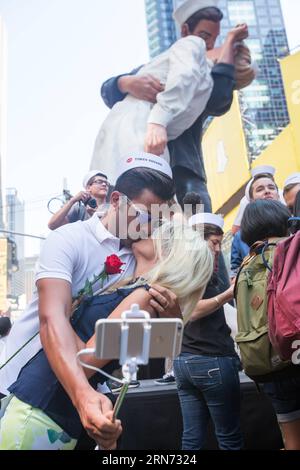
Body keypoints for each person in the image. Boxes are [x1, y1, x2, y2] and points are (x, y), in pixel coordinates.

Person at [0, 154, 182, 450]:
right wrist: (82, 393)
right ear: (116, 200)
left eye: (158, 221)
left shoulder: (140, 257)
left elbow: (129, 339)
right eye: (145, 216)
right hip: (28, 382)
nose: (151, 227)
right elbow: (52, 318)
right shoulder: (70, 240)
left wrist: (170, 316)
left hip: (83, 391)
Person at [0, 218, 214, 450]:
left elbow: (86, 362)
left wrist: (57, 310)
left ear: (168, 252)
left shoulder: (144, 300)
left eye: (155, 234)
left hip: (43, 409)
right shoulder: (137, 290)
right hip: (44, 405)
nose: (144, 231)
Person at [91, 0, 252, 209]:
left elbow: (220, 97)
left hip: (182, 165)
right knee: (133, 218)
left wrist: (230, 43)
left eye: (215, 38)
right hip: (141, 148)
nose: (210, 44)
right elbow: (108, 90)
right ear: (186, 30)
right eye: (204, 36)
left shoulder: (208, 76)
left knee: (192, 227)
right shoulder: (170, 60)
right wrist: (126, 83)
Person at [173, 211, 243, 450]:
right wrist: (228, 294)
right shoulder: (198, 270)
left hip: (184, 362)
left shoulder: (181, 269)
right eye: (214, 243)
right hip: (211, 359)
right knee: (229, 439)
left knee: (191, 440)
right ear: (199, 240)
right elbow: (191, 311)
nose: (216, 249)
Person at [240, 199, 300, 450]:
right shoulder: (291, 252)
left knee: (292, 441)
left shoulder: (246, 265)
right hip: (296, 352)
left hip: (267, 363)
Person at [231, 165, 280, 276]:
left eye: (271, 187)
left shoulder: (292, 225)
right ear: (252, 199)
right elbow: (234, 272)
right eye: (260, 189)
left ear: (278, 194)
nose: (267, 191)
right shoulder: (240, 236)